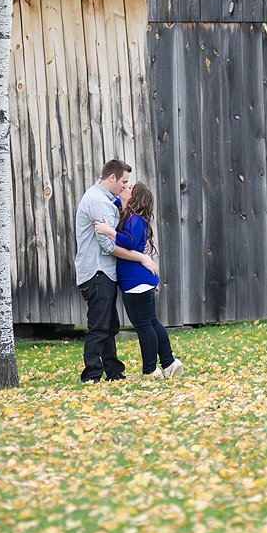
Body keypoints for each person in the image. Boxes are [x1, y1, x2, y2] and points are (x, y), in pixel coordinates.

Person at [74, 158, 157, 384]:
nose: (125, 186)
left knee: (110, 326)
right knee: (99, 326)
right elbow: (108, 245)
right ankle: (91, 374)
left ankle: (114, 371)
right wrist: (141, 257)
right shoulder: (98, 202)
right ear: (112, 177)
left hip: (105, 272)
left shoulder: (104, 198)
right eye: (124, 181)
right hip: (97, 271)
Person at [95, 183, 182, 378]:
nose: (125, 187)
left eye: (130, 187)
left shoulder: (134, 220)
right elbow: (113, 198)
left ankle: (150, 370)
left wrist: (108, 231)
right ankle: (169, 362)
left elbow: (129, 242)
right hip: (138, 279)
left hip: (136, 281)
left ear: (135, 198)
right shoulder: (130, 216)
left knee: (144, 325)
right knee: (150, 322)